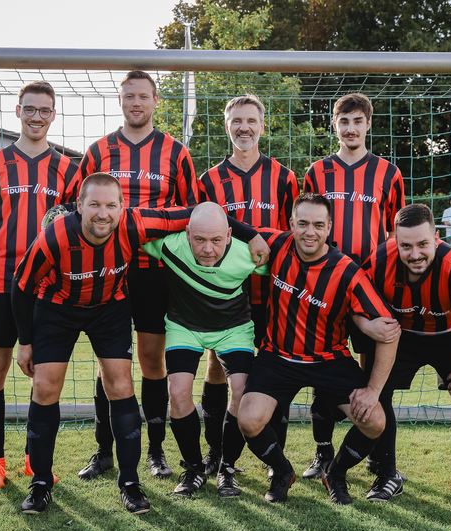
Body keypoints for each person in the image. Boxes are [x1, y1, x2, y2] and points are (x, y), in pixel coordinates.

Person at [12, 173, 265, 514]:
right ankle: (41, 483)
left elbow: (197, 213)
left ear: (123, 207)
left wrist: (252, 235)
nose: (103, 213)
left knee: (120, 384)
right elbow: (21, 286)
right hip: (58, 309)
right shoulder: (54, 236)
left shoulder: (136, 223)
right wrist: (25, 343)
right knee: (45, 387)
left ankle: (130, 483)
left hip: (109, 308)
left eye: (111, 205)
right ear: (79, 206)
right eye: (94, 205)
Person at [237, 193, 400, 505]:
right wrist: (252, 235)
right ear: (291, 224)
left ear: (329, 228)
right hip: (277, 357)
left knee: (375, 421)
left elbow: (390, 333)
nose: (309, 232)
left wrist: (373, 391)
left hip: (330, 360)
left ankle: (335, 474)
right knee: (249, 419)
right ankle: (282, 471)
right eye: (303, 223)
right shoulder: (278, 244)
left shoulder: (347, 271)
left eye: (318, 225)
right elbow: (227, 224)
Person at [76, 70, 198, 482]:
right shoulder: (98, 152)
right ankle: (103, 451)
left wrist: (143, 220)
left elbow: (191, 211)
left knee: (150, 360)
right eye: (129, 96)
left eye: (143, 96)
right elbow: (78, 209)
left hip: (153, 273)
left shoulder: (175, 152)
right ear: (120, 100)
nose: (136, 103)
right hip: (106, 270)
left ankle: (156, 451)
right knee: (107, 364)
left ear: (155, 101)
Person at [0, 80, 79, 491]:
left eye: (44, 110)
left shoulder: (68, 170)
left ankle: (36, 459)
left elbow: (70, 227)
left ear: (54, 115)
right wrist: (5, 262)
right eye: (29, 109)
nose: (36, 117)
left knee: (43, 376)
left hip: (48, 288)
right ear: (18, 111)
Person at [363, 203, 451, 514]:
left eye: (423, 244)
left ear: (436, 238)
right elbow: (357, 306)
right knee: (377, 392)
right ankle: (387, 475)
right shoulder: (378, 261)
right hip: (401, 336)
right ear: (395, 241)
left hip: (449, 335)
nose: (415, 254)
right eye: (406, 246)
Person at [301, 92, 405, 480]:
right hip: (326, 286)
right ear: (334, 125)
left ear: (368, 125)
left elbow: (395, 233)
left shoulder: (388, 173)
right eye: (344, 121)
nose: (350, 128)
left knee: (376, 373)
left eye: (357, 121)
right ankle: (322, 453)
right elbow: (308, 228)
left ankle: (380, 458)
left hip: (372, 289)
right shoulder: (317, 172)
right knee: (321, 366)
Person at [197, 94, 299, 474]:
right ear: (227, 127)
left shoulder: (284, 178)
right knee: (216, 367)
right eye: (237, 121)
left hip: (273, 293)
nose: (244, 127)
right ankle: (216, 452)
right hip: (225, 293)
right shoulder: (208, 181)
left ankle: (275, 457)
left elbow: (294, 237)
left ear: (262, 126)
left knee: (279, 368)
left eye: (251, 120)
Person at [140, 202, 269, 498]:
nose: (207, 249)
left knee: (242, 392)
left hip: (233, 329)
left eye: (216, 240)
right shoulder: (169, 245)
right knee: (178, 393)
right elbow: (124, 228)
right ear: (187, 233)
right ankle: (194, 468)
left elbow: (295, 259)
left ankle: (227, 468)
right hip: (184, 326)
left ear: (229, 235)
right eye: (199, 239)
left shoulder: (250, 252)